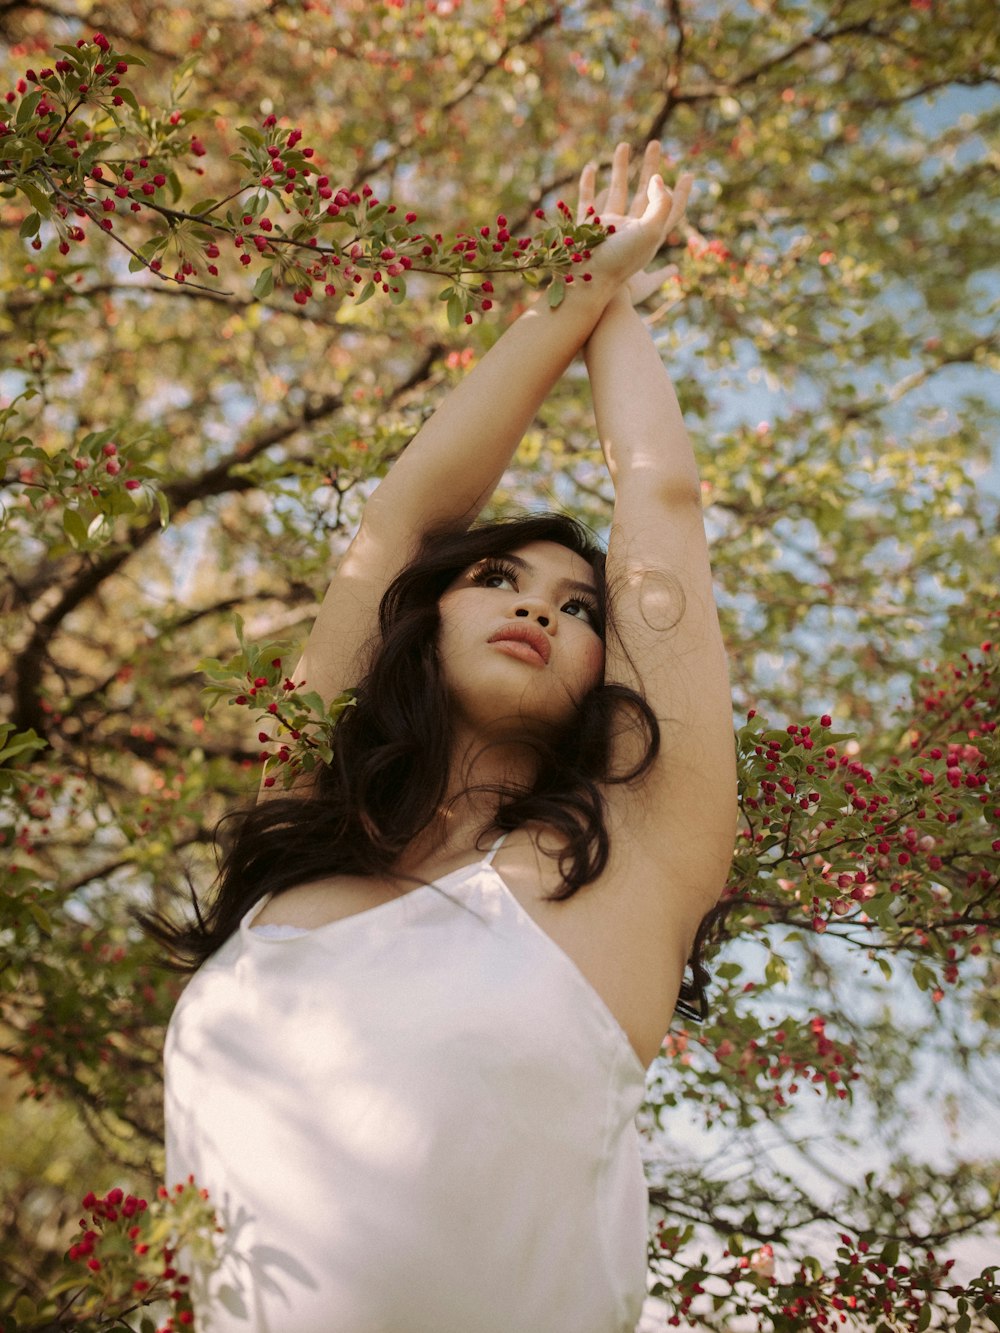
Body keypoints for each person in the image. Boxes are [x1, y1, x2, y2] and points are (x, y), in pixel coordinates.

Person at [150, 141, 738, 1333]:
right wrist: (578, 279)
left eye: (580, 610)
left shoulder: (631, 873)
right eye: (498, 580)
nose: (537, 607)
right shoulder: (307, 830)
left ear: (602, 669)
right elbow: (407, 514)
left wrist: (618, 297)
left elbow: (660, 517)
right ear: (424, 620)